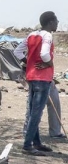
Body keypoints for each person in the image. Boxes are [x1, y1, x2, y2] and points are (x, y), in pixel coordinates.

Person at [14, 11, 59, 155]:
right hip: (42, 78)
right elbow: (44, 54)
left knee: (33, 110)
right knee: (36, 113)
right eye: (56, 20)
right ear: (50, 22)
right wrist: (49, 63)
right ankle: (27, 145)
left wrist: (29, 63)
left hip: (32, 77)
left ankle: (36, 142)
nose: (58, 23)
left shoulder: (31, 35)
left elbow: (17, 52)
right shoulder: (48, 36)